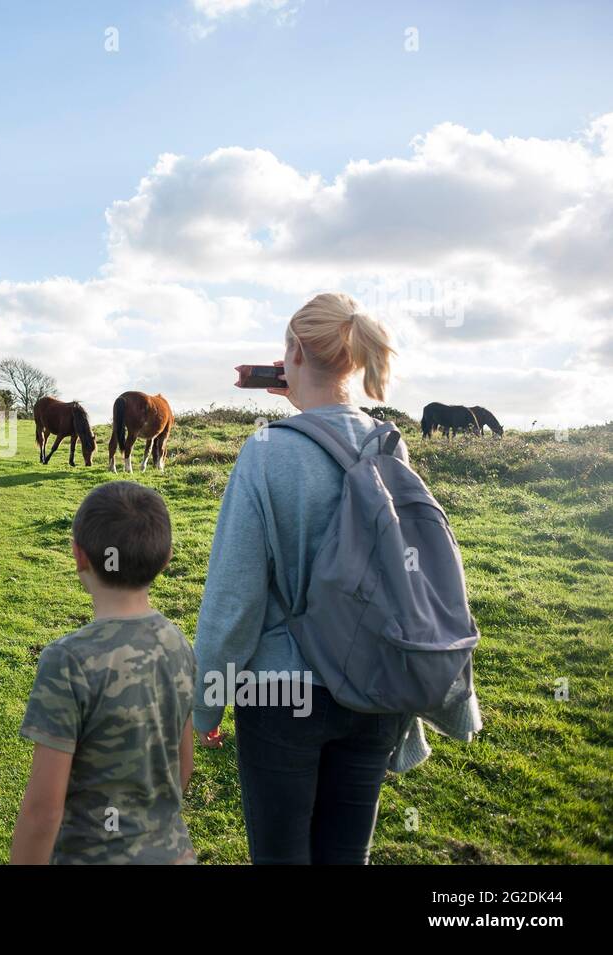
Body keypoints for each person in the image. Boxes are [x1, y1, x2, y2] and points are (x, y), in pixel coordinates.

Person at [193, 291, 478, 865]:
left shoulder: (266, 452)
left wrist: (207, 702)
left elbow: (234, 602)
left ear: (294, 352)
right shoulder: (389, 448)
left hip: (279, 692)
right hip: (375, 685)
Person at [11, 480, 197, 864]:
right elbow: (184, 765)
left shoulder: (68, 661)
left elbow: (43, 811)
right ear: (166, 559)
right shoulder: (178, 643)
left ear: (79, 555)